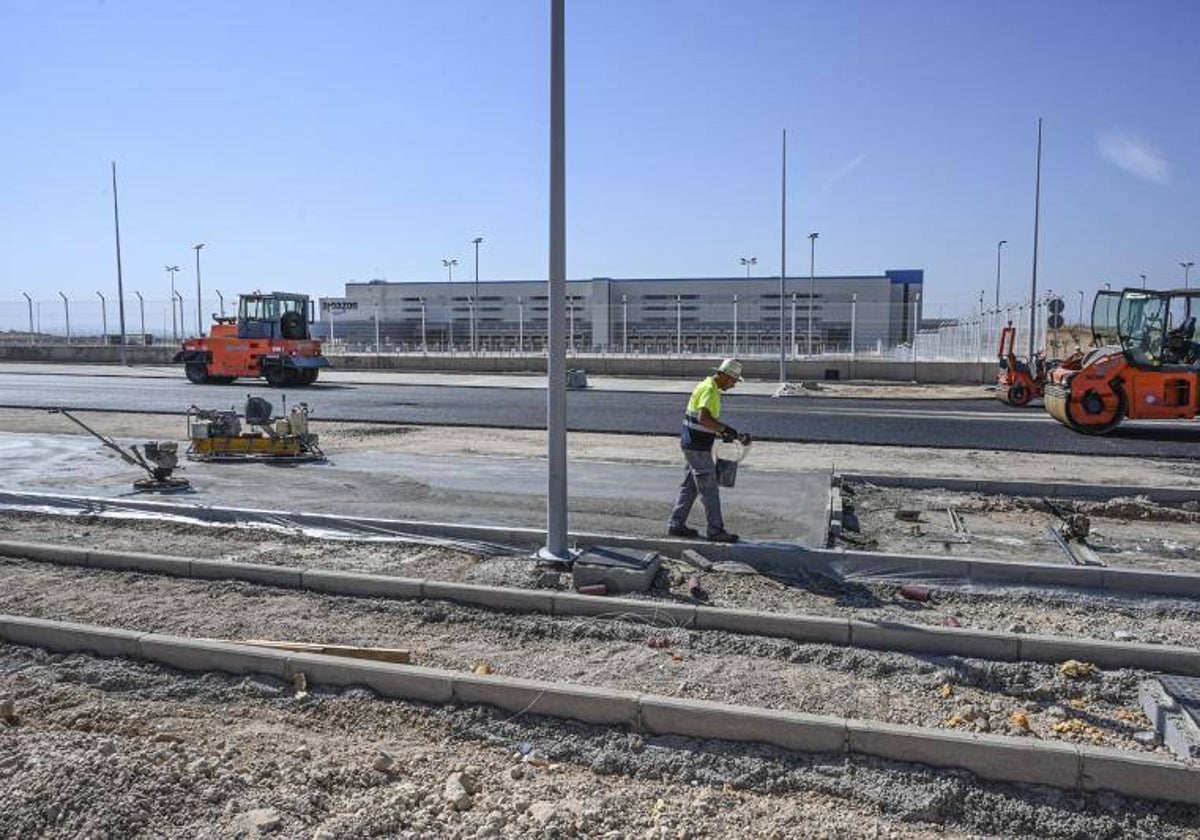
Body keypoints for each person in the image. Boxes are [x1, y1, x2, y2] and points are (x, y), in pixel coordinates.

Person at [667, 358, 752, 542]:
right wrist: (726, 430)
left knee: (690, 486)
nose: (734, 385)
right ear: (725, 376)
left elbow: (703, 422)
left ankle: (676, 524)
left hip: (692, 444)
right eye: (734, 381)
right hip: (697, 447)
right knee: (709, 489)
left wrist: (720, 432)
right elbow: (704, 418)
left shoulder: (706, 385)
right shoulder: (710, 390)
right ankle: (715, 531)